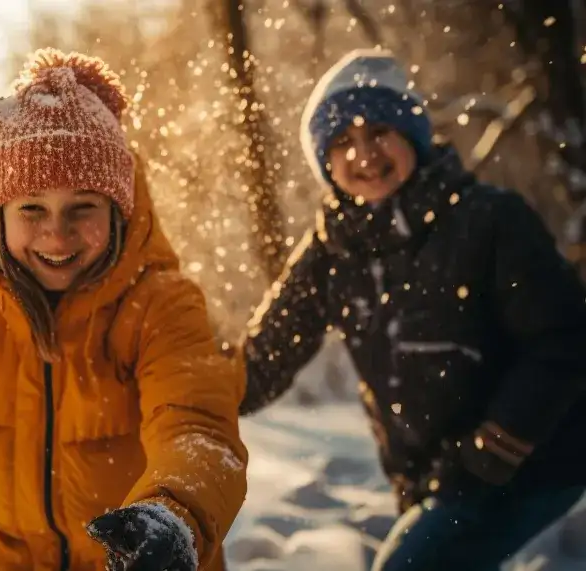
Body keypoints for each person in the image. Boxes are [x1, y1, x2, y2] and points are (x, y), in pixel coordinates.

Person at [0, 48, 248, 571]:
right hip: (6, 555)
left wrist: (173, 515)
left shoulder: (161, 305)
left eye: (83, 207)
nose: (57, 231)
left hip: (136, 558)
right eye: (32, 207)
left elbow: (197, 428)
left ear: (119, 212)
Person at [237, 48, 586, 570]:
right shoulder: (331, 253)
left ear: (412, 136)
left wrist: (492, 450)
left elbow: (563, 340)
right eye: (342, 142)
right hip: (435, 479)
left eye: (378, 132)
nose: (363, 154)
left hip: (536, 459)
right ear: (325, 163)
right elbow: (261, 364)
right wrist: (183, 384)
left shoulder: (488, 220)